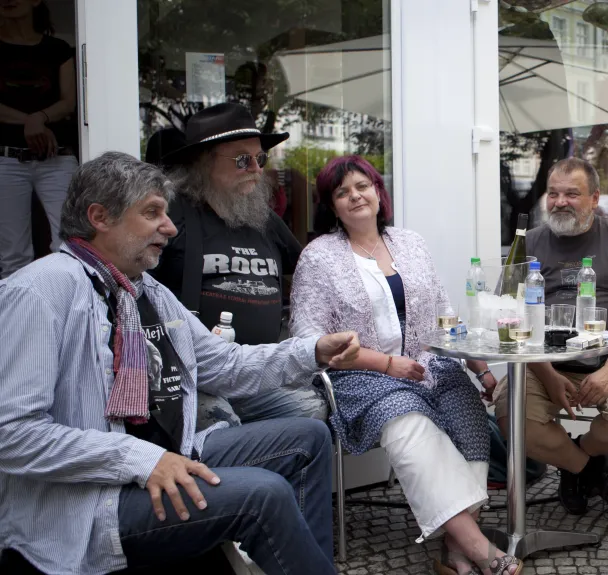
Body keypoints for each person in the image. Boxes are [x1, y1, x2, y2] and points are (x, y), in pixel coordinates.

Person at [0, 152, 361, 575]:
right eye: (152, 213)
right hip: (94, 498)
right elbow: (13, 434)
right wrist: (139, 458)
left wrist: (311, 350)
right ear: (100, 217)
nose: (169, 228)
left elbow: (225, 365)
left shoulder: (146, 292)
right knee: (264, 494)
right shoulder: (40, 291)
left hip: (174, 450)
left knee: (308, 438)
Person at [288, 156, 520, 575]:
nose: (355, 196)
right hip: (359, 374)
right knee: (406, 417)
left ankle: (455, 551)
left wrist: (481, 369)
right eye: (342, 192)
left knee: (468, 416)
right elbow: (309, 339)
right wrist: (385, 363)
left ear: (378, 192)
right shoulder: (319, 257)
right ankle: (478, 546)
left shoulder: (410, 243)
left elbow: (446, 315)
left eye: (362, 186)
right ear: (332, 206)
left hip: (429, 364)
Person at [493, 158, 608, 522]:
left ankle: (582, 456)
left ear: (595, 198)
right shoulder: (528, 242)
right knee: (511, 419)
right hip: (543, 365)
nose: (560, 202)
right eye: (553, 194)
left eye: (572, 194)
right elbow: (508, 313)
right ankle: (589, 469)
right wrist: (546, 374)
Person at [150, 103, 324, 430]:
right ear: (202, 163)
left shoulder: (262, 219)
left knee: (311, 413)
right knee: (221, 425)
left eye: (260, 159)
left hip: (257, 375)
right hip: (196, 376)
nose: (256, 169)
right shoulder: (173, 218)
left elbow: (310, 269)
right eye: (242, 159)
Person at [0, 0, 78, 278]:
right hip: (7, 159)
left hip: (56, 158)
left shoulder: (57, 49)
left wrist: (38, 118)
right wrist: (34, 120)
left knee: (70, 244)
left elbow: (69, 102)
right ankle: (20, 319)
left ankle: (66, 312)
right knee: (12, 255)